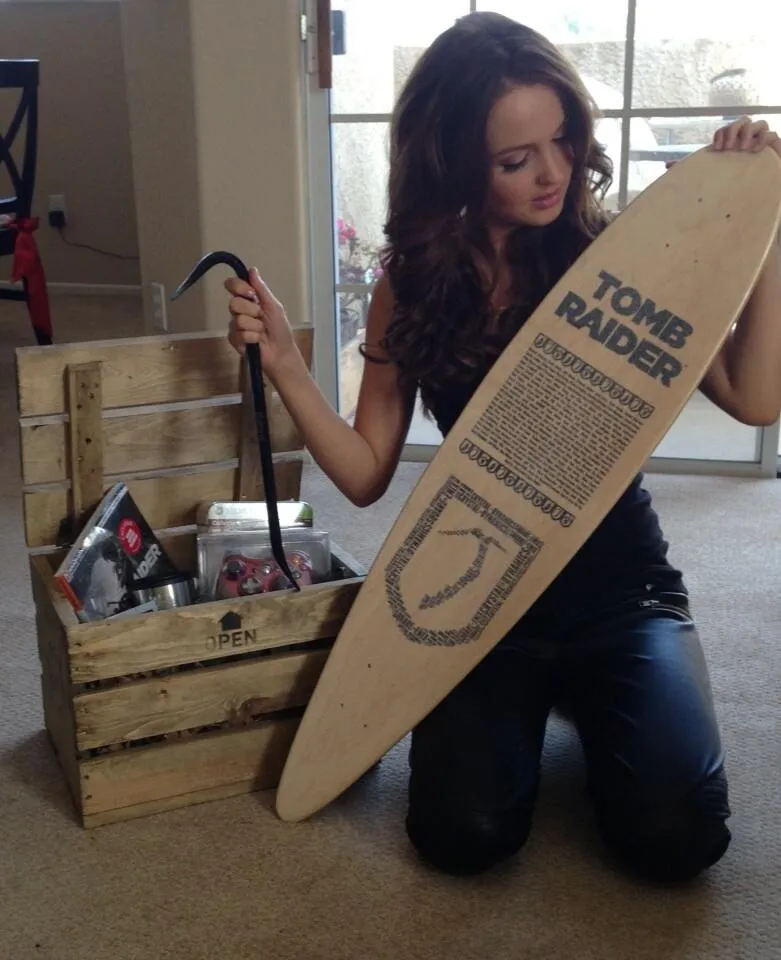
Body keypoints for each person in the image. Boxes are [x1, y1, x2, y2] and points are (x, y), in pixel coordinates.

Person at [224, 12, 781, 882]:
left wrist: (763, 216)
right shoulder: (412, 286)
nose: (552, 173)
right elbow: (366, 476)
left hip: (621, 595)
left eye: (562, 140)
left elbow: (755, 399)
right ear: (453, 162)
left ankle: (602, 694)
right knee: (461, 835)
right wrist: (288, 367)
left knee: (676, 840)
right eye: (515, 159)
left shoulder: (615, 254)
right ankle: (548, 700)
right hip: (479, 603)